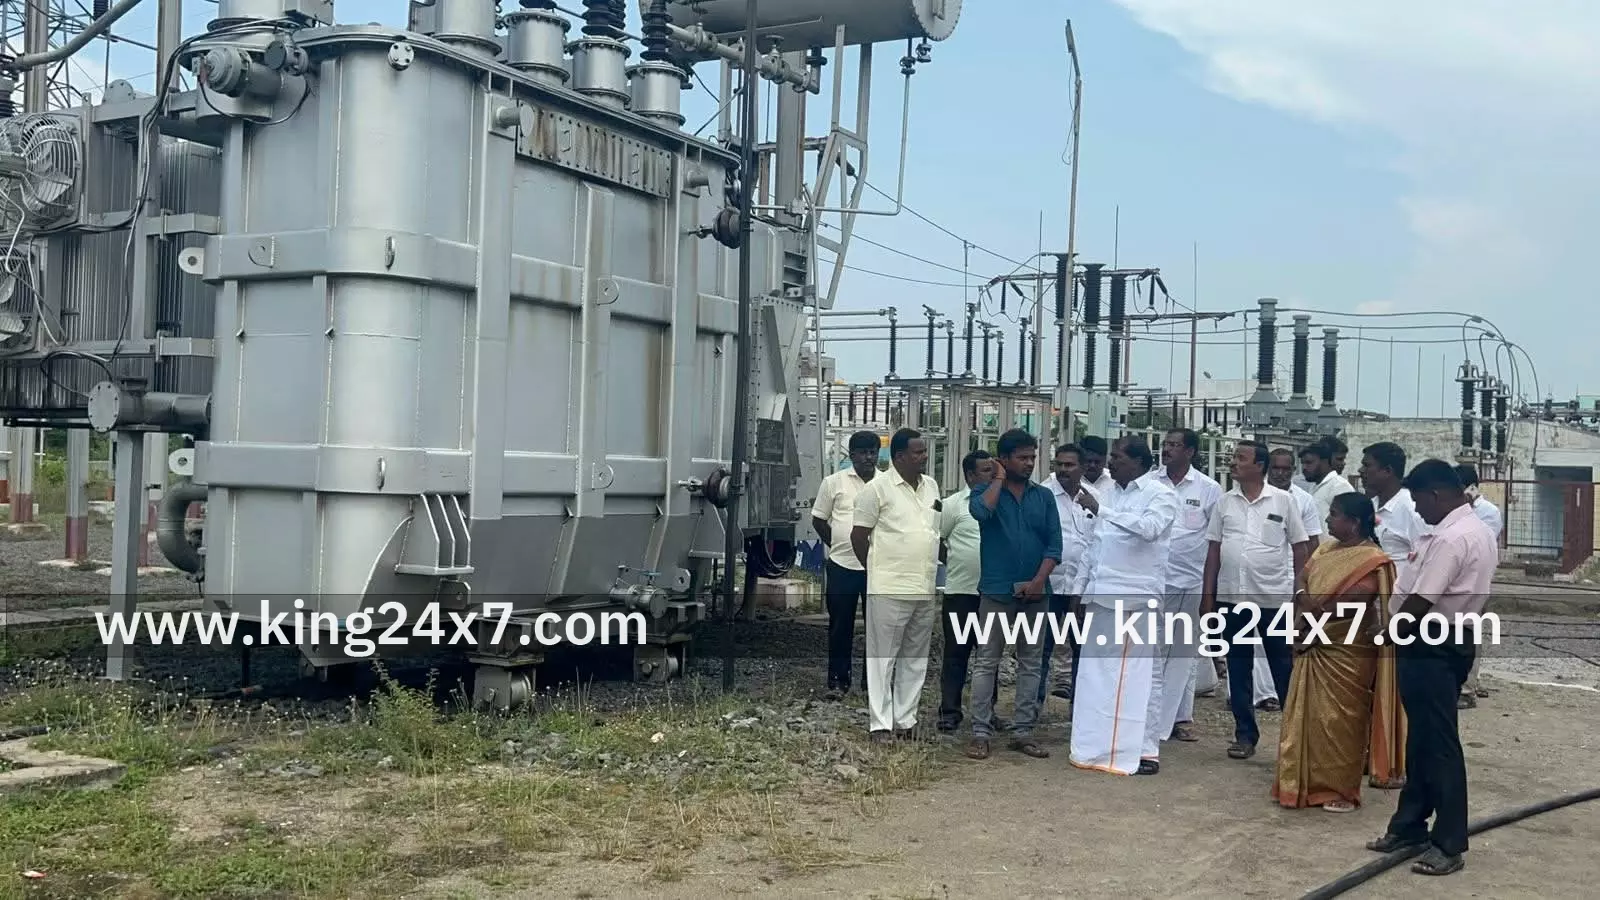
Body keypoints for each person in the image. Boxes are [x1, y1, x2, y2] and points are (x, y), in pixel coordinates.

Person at [1365, 460, 1497, 878]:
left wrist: (1388, 633)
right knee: (1422, 739)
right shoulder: (1471, 529)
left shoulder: (1454, 537)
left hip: (1432, 642)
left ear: (1436, 495)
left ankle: (1449, 843)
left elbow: (1423, 599)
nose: (1418, 510)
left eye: (1419, 501)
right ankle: (1409, 826)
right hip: (1442, 640)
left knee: (1438, 744)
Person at [1272, 492, 1395, 813]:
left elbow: (1357, 602)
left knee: (1341, 720)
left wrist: (1315, 612)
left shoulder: (1372, 560)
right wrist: (1303, 596)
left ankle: (1342, 790)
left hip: (1346, 650)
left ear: (1353, 523)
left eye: (1334, 514)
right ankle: (1301, 784)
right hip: (1311, 640)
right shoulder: (1326, 549)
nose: (1328, 519)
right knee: (1306, 715)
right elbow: (1302, 577)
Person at [1069, 435, 1179, 776]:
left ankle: (1143, 750)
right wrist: (1080, 591)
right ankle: (1098, 747)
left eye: (1117, 457)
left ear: (1139, 462)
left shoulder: (1160, 494)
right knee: (1098, 675)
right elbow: (1094, 546)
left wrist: (1102, 510)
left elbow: (1149, 529)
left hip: (1135, 598)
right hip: (1101, 595)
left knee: (1138, 677)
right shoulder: (1109, 494)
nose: (1110, 462)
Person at [1202, 440, 1309, 761]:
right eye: (1234, 457)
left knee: (1283, 669)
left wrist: (1299, 595)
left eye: (1240, 458)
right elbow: (1214, 551)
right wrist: (1208, 597)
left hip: (1273, 600)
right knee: (1238, 669)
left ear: (1259, 466)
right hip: (1232, 600)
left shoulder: (1284, 501)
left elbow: (1300, 549)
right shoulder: (1225, 503)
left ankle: (1296, 740)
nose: (1233, 462)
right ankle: (1245, 735)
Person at [965, 429, 1062, 760]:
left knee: (1030, 663)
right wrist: (998, 479)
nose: (1029, 463)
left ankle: (1023, 731)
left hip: (1036, 593)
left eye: (1032, 457)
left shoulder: (1043, 497)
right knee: (987, 661)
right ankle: (980, 731)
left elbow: (1054, 545)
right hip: (996, 591)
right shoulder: (984, 492)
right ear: (1003, 459)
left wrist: (1038, 581)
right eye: (1022, 457)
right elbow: (981, 513)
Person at [850, 428, 942, 743]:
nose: (924, 457)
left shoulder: (931, 486)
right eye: (918, 452)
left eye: (924, 451)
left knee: (915, 657)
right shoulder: (877, 489)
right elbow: (858, 536)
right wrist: (875, 570)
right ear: (899, 457)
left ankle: (905, 720)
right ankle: (880, 724)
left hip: (924, 585)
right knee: (882, 659)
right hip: (888, 586)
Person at [1143, 428, 1222, 758]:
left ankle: (1180, 719)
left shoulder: (1208, 488)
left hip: (1190, 581)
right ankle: (1151, 718)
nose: (1168, 450)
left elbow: (1215, 539)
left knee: (1184, 652)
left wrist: (1209, 591)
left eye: (1175, 445)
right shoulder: (1149, 483)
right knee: (1154, 650)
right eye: (1166, 445)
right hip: (1153, 580)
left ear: (1190, 451)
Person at [1359, 440, 1426, 788]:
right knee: (1372, 684)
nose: (1362, 471)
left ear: (1387, 471)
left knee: (1398, 686)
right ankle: (1372, 753)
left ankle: (1397, 762)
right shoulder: (1370, 507)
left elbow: (1424, 561)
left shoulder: (1411, 510)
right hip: (1372, 607)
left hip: (1400, 608)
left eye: (1367, 466)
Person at [1255, 447, 1329, 710]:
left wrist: (1309, 579)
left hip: (1291, 576)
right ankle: (1260, 693)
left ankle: (1283, 693)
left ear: (1293, 470)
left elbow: (1312, 542)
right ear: (1267, 469)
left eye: (1286, 469)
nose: (1280, 473)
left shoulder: (1303, 500)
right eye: (1275, 468)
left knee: (1283, 638)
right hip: (1257, 577)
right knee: (1252, 639)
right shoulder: (1255, 496)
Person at [811, 430, 880, 699]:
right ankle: (838, 683)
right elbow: (819, 520)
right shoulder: (833, 482)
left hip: (876, 567)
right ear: (851, 455)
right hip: (842, 566)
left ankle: (872, 684)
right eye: (863, 452)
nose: (868, 457)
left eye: (873, 452)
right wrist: (838, 544)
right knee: (841, 626)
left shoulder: (886, 484)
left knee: (877, 628)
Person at [936, 451, 1001, 733]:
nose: (993, 475)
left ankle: (987, 712)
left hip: (992, 595)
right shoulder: (953, 505)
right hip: (961, 593)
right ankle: (950, 712)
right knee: (956, 654)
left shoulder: (1000, 503)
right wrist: (957, 563)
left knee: (989, 656)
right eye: (986, 470)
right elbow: (938, 540)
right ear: (970, 475)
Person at [1039, 444, 1100, 708]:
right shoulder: (1042, 495)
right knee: (1040, 649)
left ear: (1083, 467)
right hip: (1049, 586)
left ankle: (1081, 711)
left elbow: (1099, 542)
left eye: (1069, 465)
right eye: (1059, 464)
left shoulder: (1095, 499)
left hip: (1082, 589)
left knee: (1083, 650)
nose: (1063, 470)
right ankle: (1032, 710)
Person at [1453, 464, 1501, 710]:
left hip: (1475, 583)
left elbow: (1479, 546)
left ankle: (1467, 688)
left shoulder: (1488, 512)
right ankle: (1460, 682)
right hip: (1453, 582)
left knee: (1470, 633)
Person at [1300, 438, 1355, 523]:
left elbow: (1348, 524)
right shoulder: (1314, 486)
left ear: (1325, 462)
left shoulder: (1340, 486)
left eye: (1309, 463)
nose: (1304, 468)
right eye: (1302, 463)